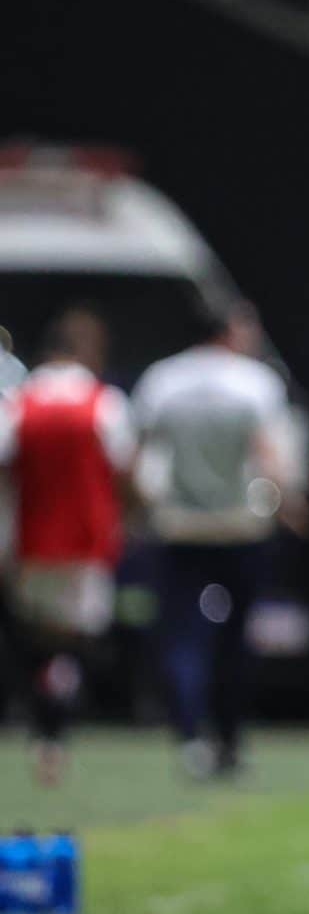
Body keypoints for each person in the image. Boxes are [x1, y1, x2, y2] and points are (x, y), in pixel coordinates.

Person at [132, 302, 302, 779]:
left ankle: (190, 735)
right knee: (235, 638)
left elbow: (139, 456)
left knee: (183, 636)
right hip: (239, 526)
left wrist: (139, 509)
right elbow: (269, 457)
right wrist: (289, 506)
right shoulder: (255, 382)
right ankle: (228, 737)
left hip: (177, 524)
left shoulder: (162, 381)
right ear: (229, 330)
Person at [0, 306, 135, 787]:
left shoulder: (18, 402)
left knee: (37, 638)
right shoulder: (105, 403)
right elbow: (124, 471)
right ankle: (56, 728)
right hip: (86, 540)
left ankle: (44, 729)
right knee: (73, 642)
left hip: (31, 539)